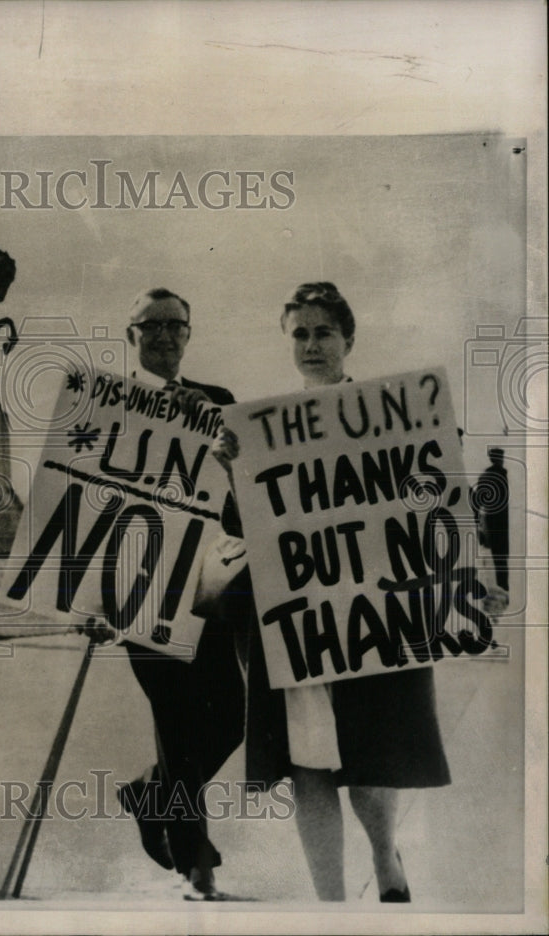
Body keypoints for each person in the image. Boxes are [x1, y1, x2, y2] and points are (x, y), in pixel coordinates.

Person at [216, 282, 451, 902]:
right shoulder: (262, 429)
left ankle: (386, 861)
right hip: (296, 621)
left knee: (372, 764)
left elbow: (430, 510)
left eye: (323, 333)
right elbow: (242, 528)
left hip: (372, 616)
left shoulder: (389, 416)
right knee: (306, 762)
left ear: (349, 340)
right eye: (299, 333)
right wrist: (232, 473)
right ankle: (331, 907)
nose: (312, 345)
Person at [103, 288, 246, 901]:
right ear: (130, 334)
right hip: (140, 589)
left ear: (190, 333)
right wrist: (88, 598)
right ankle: (196, 863)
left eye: (175, 325)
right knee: (180, 725)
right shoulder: (104, 404)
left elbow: (243, 502)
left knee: (232, 720)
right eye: (150, 325)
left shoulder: (221, 403)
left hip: (206, 586)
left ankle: (150, 792)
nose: (163, 335)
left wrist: (219, 444)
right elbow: (80, 502)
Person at [472, 447, 510, 592]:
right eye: (500, 457)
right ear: (496, 459)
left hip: (495, 522)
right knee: (498, 558)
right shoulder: (493, 475)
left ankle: (498, 588)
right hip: (495, 523)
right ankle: (499, 589)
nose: (502, 459)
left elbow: (478, 500)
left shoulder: (489, 475)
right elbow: (479, 500)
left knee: (497, 558)